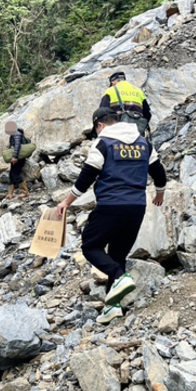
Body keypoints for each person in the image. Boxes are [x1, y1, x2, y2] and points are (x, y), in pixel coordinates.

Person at [56, 107, 167, 325]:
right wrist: (160, 194)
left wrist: (66, 202)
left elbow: (86, 178)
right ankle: (112, 307)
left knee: (90, 245)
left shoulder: (103, 143)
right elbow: (159, 173)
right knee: (117, 254)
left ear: (100, 125)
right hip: (137, 206)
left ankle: (120, 277)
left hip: (110, 205)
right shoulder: (144, 143)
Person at [5, 120, 30, 199]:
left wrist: (15, 157)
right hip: (16, 157)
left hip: (18, 158)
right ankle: (10, 194)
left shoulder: (16, 134)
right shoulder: (15, 134)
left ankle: (25, 192)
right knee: (11, 174)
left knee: (15, 174)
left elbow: (17, 146)